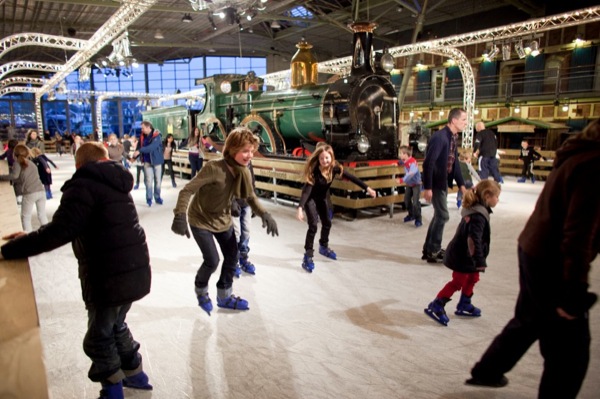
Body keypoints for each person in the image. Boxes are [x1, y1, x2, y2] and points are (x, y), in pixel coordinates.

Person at [0, 142, 153, 399]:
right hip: (135, 271)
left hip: (109, 278)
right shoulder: (116, 181)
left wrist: (11, 249)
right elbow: (84, 223)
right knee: (116, 326)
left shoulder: (83, 185)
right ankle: (136, 375)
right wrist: (29, 236)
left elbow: (59, 231)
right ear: (104, 159)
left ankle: (113, 392)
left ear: (79, 163)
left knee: (98, 338)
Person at [466, 120, 600, 398]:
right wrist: (574, 290)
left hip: (534, 247)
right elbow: (578, 233)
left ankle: (487, 370)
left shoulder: (577, 154)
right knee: (570, 352)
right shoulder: (593, 165)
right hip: (553, 258)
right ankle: (489, 370)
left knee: (529, 320)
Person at [171, 127, 278, 316]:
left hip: (223, 219)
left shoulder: (243, 172)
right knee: (212, 261)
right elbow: (187, 190)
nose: (249, 155)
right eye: (245, 151)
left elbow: (250, 197)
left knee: (232, 256)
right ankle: (201, 289)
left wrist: (265, 214)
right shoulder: (214, 168)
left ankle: (224, 295)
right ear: (232, 150)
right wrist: (180, 214)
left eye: (252, 151)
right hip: (201, 220)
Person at [424, 180, 501, 326]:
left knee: (473, 277)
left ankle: (464, 303)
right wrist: (479, 259)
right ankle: (437, 304)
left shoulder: (479, 209)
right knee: (458, 281)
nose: (498, 200)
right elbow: (473, 240)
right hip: (462, 255)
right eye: (496, 197)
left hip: (469, 255)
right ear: (487, 196)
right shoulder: (477, 215)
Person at [296, 144, 376, 272]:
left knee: (327, 222)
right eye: (322, 159)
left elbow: (352, 178)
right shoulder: (315, 171)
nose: (324, 161)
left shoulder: (335, 168)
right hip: (310, 199)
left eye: (327, 158)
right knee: (313, 226)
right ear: (318, 159)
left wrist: (367, 188)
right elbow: (306, 191)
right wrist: (300, 207)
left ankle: (323, 246)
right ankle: (308, 255)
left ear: (331, 157)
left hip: (321, 198)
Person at [421, 108, 467, 263]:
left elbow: (454, 164)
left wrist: (461, 185)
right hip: (435, 183)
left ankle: (429, 249)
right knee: (443, 215)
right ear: (454, 120)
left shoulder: (453, 137)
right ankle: (433, 250)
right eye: (463, 120)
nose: (466, 123)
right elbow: (428, 163)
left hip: (443, 182)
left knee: (439, 215)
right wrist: (428, 187)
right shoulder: (440, 137)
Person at [0, 144, 47, 231]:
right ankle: (49, 235)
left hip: (30, 193)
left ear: (15, 154)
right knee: (42, 215)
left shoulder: (17, 163)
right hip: (41, 191)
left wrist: (1, 177)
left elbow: (14, 176)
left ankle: (28, 238)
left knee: (26, 217)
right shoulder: (31, 163)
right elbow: (23, 178)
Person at [232, 160, 257, 277]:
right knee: (236, 234)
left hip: (246, 202)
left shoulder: (248, 160)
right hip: (233, 204)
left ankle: (243, 259)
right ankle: (233, 262)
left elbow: (252, 182)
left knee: (246, 232)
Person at [133, 121, 164, 206]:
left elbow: (152, 147)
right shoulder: (142, 137)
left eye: (143, 128)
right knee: (148, 181)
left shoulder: (157, 136)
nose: (142, 130)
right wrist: (133, 157)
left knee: (158, 181)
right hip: (147, 161)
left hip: (157, 161)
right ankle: (149, 198)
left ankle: (157, 197)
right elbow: (138, 147)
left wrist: (140, 150)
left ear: (148, 127)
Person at [398, 145, 422, 227]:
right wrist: (397, 163)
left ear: (405, 154)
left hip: (416, 184)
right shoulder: (405, 161)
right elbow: (402, 162)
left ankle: (418, 218)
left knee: (415, 202)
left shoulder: (413, 163)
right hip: (409, 184)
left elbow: (411, 173)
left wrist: (402, 180)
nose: (400, 155)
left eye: (401, 153)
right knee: (406, 200)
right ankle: (411, 215)